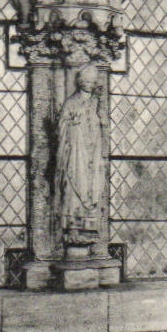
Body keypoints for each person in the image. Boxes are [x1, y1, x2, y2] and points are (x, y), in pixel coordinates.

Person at [55, 66, 105, 240]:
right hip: (76, 153)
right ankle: (73, 229)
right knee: (75, 185)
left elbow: (103, 124)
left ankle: (90, 227)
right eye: (87, 82)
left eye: (92, 82)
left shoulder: (97, 102)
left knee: (93, 186)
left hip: (94, 151)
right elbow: (61, 126)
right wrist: (72, 125)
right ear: (80, 82)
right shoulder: (71, 102)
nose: (90, 85)